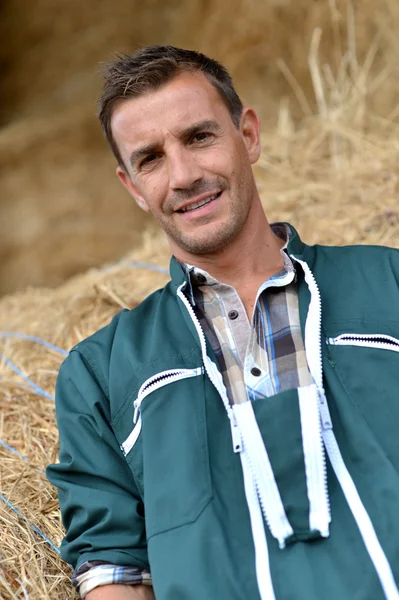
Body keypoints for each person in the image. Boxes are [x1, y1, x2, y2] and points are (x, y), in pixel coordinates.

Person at [47, 45, 399, 600]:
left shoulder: (390, 283)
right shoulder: (99, 372)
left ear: (249, 136)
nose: (183, 175)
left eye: (199, 137)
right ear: (132, 187)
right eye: (151, 159)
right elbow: (114, 570)